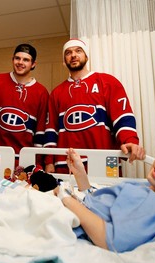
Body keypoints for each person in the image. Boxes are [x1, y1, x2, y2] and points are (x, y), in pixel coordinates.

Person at [45, 39, 144, 173]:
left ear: (86, 56)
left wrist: (130, 140)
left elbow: (123, 116)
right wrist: (49, 162)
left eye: (78, 51)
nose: (73, 55)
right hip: (66, 164)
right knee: (68, 194)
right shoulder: (56, 93)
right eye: (68, 53)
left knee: (109, 193)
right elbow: (51, 130)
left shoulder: (108, 82)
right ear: (64, 61)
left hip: (107, 160)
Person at [0, 43, 49, 169]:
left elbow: (40, 131)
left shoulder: (41, 92)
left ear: (33, 64)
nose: (20, 62)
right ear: (12, 60)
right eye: (17, 58)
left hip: (22, 163)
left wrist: (37, 161)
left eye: (26, 60)